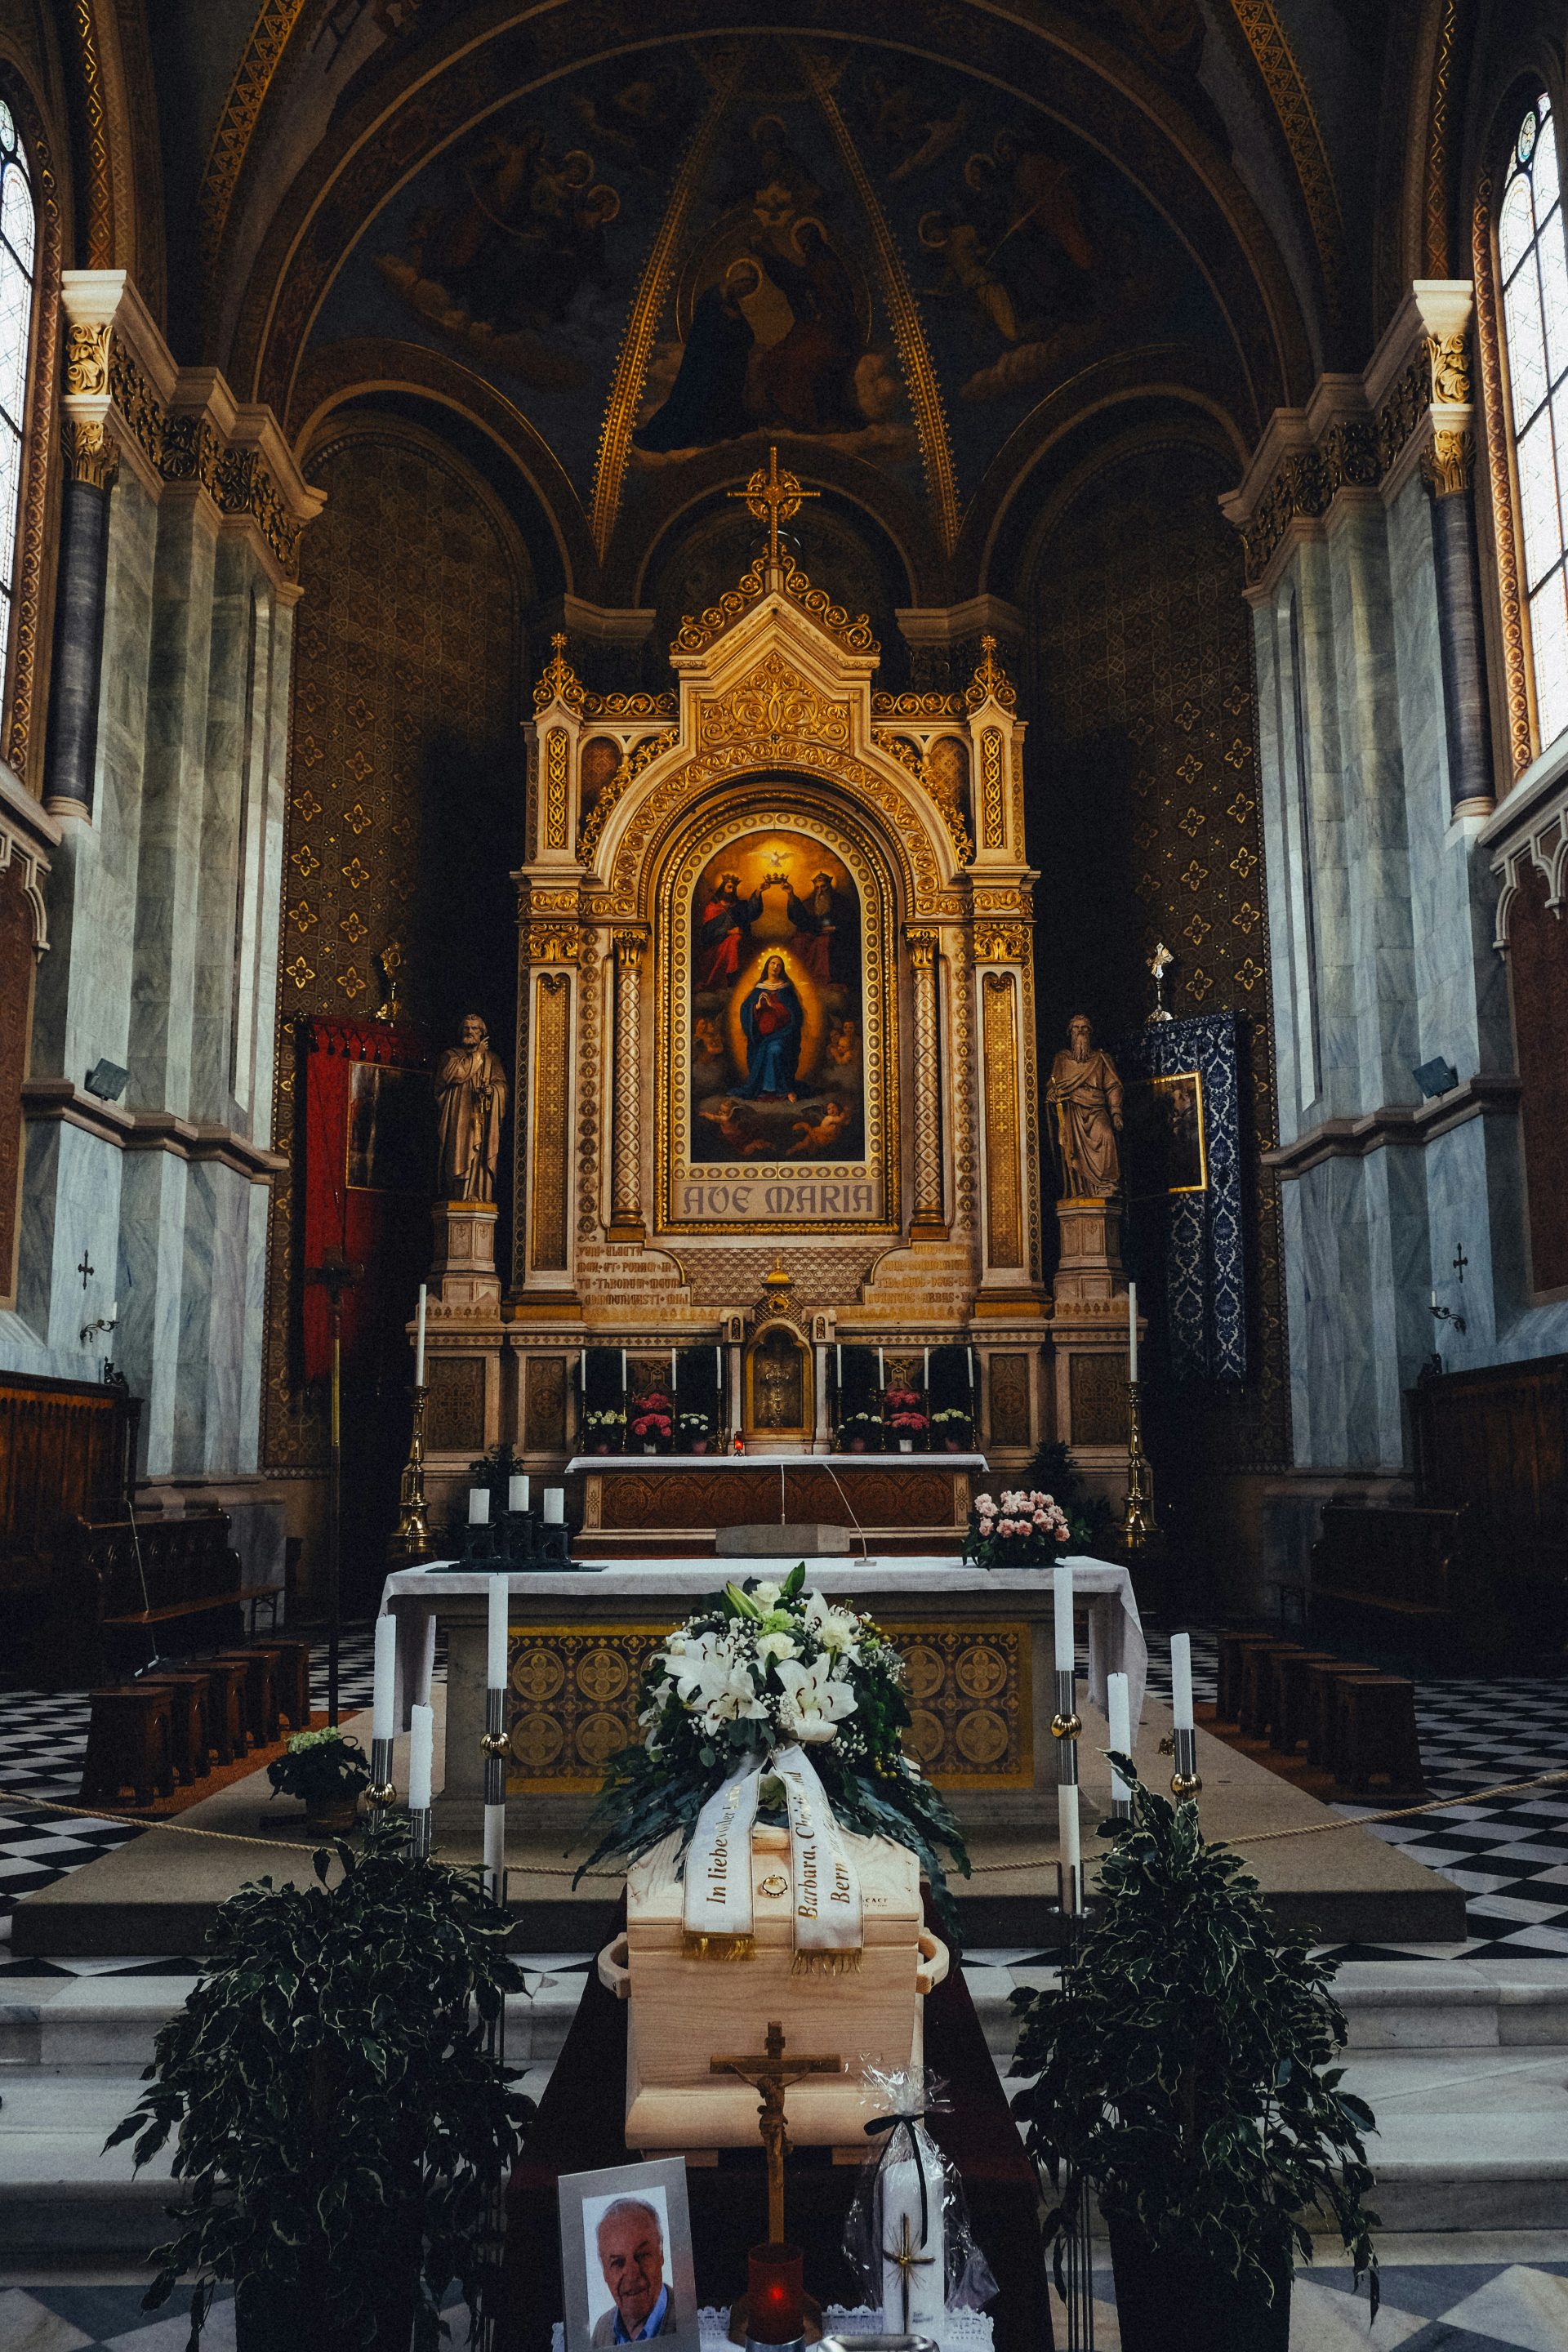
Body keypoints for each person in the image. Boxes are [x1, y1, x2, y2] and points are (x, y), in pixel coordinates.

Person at [1047, 1012, 1124, 1196]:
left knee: (1106, 1136)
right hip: (1072, 1112)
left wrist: (1116, 1113)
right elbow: (1052, 1086)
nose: (1080, 1031)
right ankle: (1081, 1190)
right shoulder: (1062, 1060)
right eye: (1076, 1028)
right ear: (1070, 1033)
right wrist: (1053, 1094)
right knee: (1072, 1151)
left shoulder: (1101, 1059)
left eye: (1084, 1028)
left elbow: (1113, 1086)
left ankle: (1105, 1185)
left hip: (1096, 1110)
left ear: (1090, 1033)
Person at [434, 1013, 508, 1201]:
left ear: (482, 1033)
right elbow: (454, 1074)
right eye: (466, 1028)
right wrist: (477, 1056)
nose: (470, 1032)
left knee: (480, 1156)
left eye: (474, 1028)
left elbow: (502, 1086)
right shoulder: (451, 1056)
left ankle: (478, 1193)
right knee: (459, 1153)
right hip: (458, 1118)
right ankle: (457, 1195)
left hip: (482, 1118)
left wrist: (494, 1090)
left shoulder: (492, 1060)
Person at [590, 2198, 676, 2344]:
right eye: (618, 2262)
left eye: (642, 2255)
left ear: (661, 2255)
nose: (632, 2274)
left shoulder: (686, 2317)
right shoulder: (602, 2330)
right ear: (605, 2273)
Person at [734, 954, 804, 1100]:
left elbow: (795, 1014)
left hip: (782, 1034)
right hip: (762, 1036)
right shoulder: (759, 988)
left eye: (779, 965)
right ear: (767, 966)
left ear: (782, 969)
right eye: (773, 963)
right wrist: (757, 1007)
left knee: (775, 1049)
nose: (775, 967)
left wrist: (774, 1006)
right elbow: (746, 1009)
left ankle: (780, 1090)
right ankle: (765, 1090)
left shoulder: (786, 988)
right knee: (767, 1048)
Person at [695, 871, 764, 989]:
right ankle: (731, 978)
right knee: (734, 940)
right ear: (723, 887)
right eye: (729, 887)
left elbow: (751, 913)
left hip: (742, 939)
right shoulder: (712, 908)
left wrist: (758, 892)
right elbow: (707, 934)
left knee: (746, 942)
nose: (732, 890)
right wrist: (729, 932)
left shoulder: (738, 905)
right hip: (717, 944)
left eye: (734, 888)